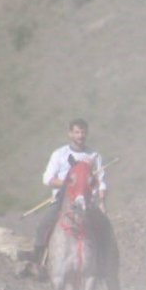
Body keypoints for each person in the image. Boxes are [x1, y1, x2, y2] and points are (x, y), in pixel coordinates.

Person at [25, 118, 109, 276]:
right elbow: (47, 179)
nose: (80, 136)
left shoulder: (94, 156)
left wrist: (102, 202)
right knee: (43, 225)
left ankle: (105, 264)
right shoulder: (59, 154)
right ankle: (38, 262)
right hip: (63, 200)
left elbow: (101, 182)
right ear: (70, 134)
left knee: (104, 226)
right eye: (77, 132)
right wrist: (69, 183)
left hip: (87, 201)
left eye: (83, 132)